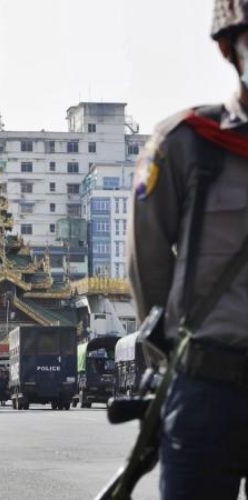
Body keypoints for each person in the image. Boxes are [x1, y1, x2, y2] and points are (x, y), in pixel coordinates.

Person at [127, 2, 248, 498]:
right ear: (231, 47)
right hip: (206, 389)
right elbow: (147, 266)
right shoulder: (185, 144)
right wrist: (171, 360)